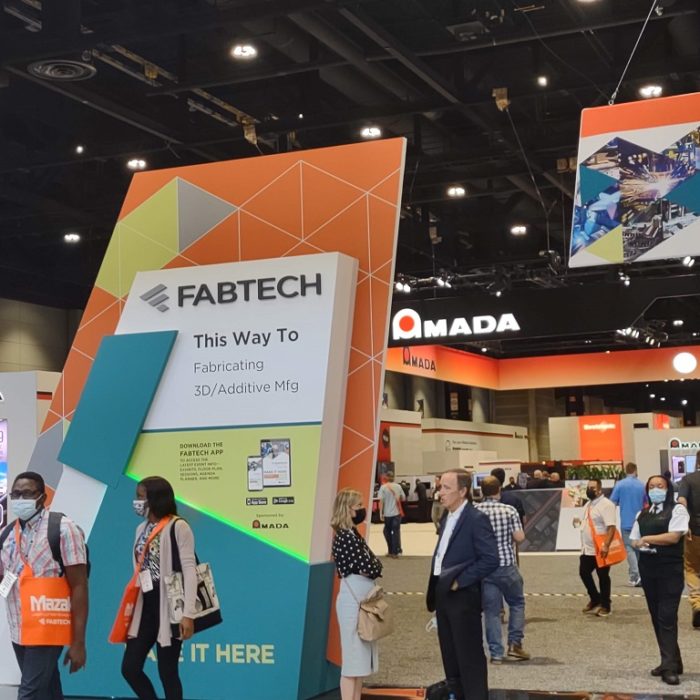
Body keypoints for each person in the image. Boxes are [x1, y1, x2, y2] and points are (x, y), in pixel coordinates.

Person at [0, 471, 88, 700]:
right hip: (19, 627)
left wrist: (78, 641)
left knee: (29, 693)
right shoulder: (7, 533)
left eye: (27, 493)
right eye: (16, 494)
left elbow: (79, 585)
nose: (21, 499)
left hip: (48, 625)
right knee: (47, 689)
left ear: (43, 497)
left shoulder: (63, 529)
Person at [121, 476, 197, 700]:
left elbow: (189, 569)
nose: (137, 501)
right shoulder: (140, 529)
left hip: (172, 606)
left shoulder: (179, 526)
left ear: (156, 499)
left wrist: (188, 614)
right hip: (146, 605)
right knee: (130, 668)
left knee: (167, 672)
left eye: (141, 497)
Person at [427, 469, 499, 700]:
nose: (441, 492)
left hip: (463, 596)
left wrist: (461, 581)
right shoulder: (446, 517)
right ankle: (456, 694)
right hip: (443, 593)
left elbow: (491, 558)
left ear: (462, 491)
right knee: (450, 655)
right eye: (440, 487)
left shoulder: (476, 519)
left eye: (446, 488)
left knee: (469, 656)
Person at [631, 475, 689, 686]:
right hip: (648, 570)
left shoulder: (678, 510)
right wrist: (639, 543)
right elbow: (634, 539)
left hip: (669, 571)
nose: (656, 489)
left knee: (667, 616)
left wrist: (646, 539)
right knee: (657, 616)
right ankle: (672, 660)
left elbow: (673, 536)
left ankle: (669, 668)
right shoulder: (642, 514)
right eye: (652, 487)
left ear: (668, 489)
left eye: (660, 486)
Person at [331, 488, 383, 700]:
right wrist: (373, 566)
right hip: (353, 604)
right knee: (352, 662)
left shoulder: (353, 534)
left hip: (361, 600)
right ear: (347, 509)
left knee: (361, 663)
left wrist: (373, 566)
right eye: (358, 506)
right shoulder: (344, 537)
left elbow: (374, 564)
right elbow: (369, 566)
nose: (362, 509)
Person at [475, 476, 529, 665]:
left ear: (482, 491)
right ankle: (515, 644)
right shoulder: (509, 510)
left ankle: (496, 653)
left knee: (491, 612)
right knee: (517, 603)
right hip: (506, 564)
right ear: (499, 489)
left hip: (485, 568)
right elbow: (519, 537)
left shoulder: (475, 511)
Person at [575, 479, 617, 617]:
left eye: (592, 488)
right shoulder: (588, 504)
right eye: (588, 487)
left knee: (603, 576)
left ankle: (606, 605)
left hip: (601, 548)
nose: (589, 490)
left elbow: (611, 527)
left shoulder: (606, 505)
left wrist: (606, 545)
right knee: (584, 572)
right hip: (587, 549)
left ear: (599, 489)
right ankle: (595, 598)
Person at [610, 462, 647, 586]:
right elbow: (646, 503)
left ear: (626, 471)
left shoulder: (620, 485)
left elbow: (612, 502)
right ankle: (636, 575)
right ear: (635, 470)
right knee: (638, 548)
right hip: (640, 521)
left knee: (629, 548)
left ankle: (636, 575)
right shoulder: (642, 485)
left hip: (626, 521)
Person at [678, 452, 700, 627]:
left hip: (695, 531)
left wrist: (684, 523)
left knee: (692, 568)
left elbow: (682, 500)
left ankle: (697, 603)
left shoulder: (688, 479)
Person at [377, 472, 405, 558]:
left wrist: (380, 513)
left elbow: (381, 501)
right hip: (397, 513)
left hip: (387, 514)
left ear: (386, 477)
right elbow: (403, 498)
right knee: (396, 532)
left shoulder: (383, 487)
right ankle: (396, 551)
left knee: (387, 531)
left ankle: (391, 550)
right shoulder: (398, 486)